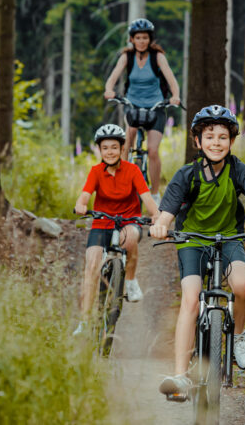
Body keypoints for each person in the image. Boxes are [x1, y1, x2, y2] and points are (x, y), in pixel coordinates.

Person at [149, 105, 245, 399]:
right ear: (197, 141)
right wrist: (161, 225)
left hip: (229, 238)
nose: (216, 143)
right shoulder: (187, 174)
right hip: (192, 240)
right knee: (191, 298)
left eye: (223, 137)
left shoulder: (237, 170)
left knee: (243, 285)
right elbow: (167, 212)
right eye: (209, 136)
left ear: (232, 141)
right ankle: (180, 376)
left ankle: (238, 336)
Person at [72, 124, 160, 336]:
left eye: (114, 147)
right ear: (100, 150)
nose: (110, 152)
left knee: (129, 239)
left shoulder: (133, 170)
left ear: (122, 149)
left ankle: (130, 280)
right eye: (105, 148)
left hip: (129, 221)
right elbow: (84, 195)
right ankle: (84, 321)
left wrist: (156, 215)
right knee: (91, 266)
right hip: (102, 223)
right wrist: (81, 205)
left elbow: (147, 197)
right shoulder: (96, 172)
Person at [104, 18, 181, 206]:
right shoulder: (127, 57)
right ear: (132, 39)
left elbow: (172, 80)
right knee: (126, 145)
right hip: (133, 106)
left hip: (156, 108)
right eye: (138, 38)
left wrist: (175, 96)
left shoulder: (157, 57)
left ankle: (154, 194)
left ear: (150, 39)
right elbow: (112, 77)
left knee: (153, 151)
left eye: (145, 38)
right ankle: (121, 184)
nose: (141, 41)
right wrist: (109, 90)